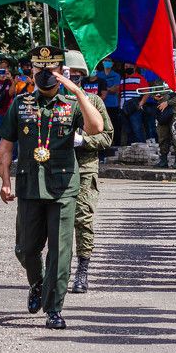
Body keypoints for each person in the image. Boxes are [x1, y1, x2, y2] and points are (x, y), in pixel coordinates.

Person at [0, 45, 103, 330]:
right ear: (31, 70)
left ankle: (54, 308)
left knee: (60, 251)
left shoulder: (72, 103)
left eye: (52, 69)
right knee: (25, 248)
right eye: (40, 69)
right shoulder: (20, 104)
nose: (45, 74)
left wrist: (77, 92)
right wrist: (5, 182)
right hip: (30, 185)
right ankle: (37, 283)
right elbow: (5, 146)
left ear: (60, 71)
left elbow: (96, 128)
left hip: (63, 187)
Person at [64, 50, 113, 294]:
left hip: (84, 168)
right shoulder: (50, 101)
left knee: (82, 219)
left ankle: (82, 270)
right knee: (56, 223)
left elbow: (107, 137)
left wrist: (84, 141)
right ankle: (59, 269)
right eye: (68, 73)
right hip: (55, 170)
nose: (72, 77)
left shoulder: (93, 102)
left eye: (77, 74)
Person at [96, 59, 121, 154]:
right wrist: (108, 88)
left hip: (112, 104)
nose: (107, 62)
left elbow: (116, 89)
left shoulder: (116, 75)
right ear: (102, 63)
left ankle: (116, 145)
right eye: (105, 61)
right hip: (100, 104)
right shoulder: (99, 74)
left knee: (114, 125)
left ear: (112, 63)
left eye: (109, 61)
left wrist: (104, 88)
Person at [119, 63, 147, 143]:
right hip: (124, 109)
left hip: (135, 109)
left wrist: (140, 104)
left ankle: (142, 147)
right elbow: (120, 94)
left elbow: (146, 93)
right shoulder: (122, 79)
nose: (127, 68)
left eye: (129, 66)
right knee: (128, 131)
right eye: (125, 66)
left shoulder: (140, 78)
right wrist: (120, 106)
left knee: (137, 130)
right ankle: (131, 148)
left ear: (134, 67)